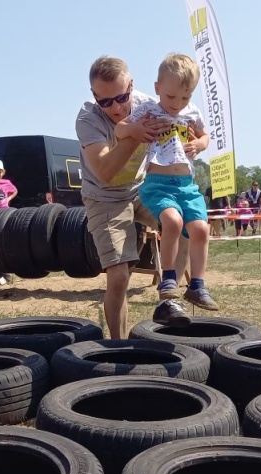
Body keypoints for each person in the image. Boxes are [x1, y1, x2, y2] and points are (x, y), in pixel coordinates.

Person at [76, 56, 190, 339]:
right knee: (119, 275)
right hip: (104, 197)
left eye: (122, 97)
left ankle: (169, 298)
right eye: (106, 102)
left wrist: (195, 144)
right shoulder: (87, 119)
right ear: (94, 96)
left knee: (187, 222)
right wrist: (135, 136)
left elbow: (186, 130)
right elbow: (105, 172)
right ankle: (118, 344)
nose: (116, 107)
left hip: (143, 188)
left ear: (132, 86)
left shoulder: (149, 105)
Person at [113, 53, 215, 323]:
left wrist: (200, 145)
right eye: (171, 97)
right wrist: (136, 129)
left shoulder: (192, 113)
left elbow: (205, 136)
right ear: (158, 88)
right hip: (158, 185)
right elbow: (119, 130)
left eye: (185, 97)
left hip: (187, 184)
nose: (177, 104)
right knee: (172, 221)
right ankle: (168, 279)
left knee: (201, 229)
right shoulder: (148, 109)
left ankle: (197, 285)